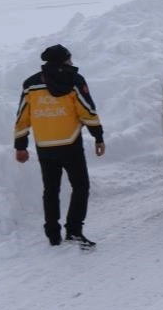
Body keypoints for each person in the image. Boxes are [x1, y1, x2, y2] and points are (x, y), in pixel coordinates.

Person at [14, 44, 105, 249]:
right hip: (70, 143)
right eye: (69, 58)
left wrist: (20, 146)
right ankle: (73, 230)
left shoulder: (31, 84)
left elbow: (22, 117)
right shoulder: (74, 80)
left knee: (51, 190)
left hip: (44, 146)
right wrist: (98, 136)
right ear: (64, 60)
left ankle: (53, 234)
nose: (72, 62)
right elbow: (87, 111)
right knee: (80, 187)